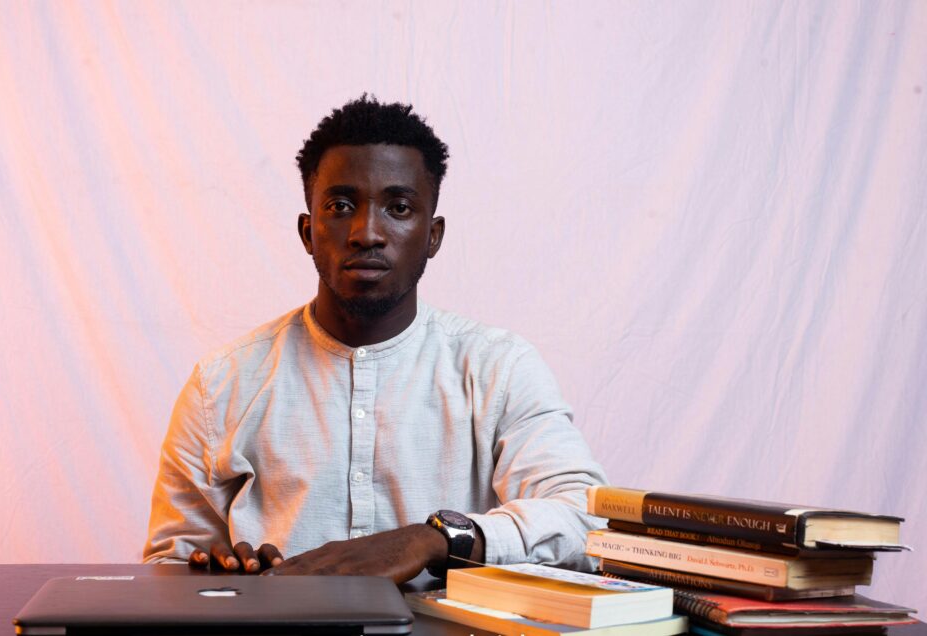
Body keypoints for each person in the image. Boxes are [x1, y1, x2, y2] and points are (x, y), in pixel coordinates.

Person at [143, 95, 608, 583]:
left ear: (433, 235)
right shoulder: (220, 386)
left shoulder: (499, 369)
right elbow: (170, 566)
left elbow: (587, 519)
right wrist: (216, 578)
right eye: (341, 206)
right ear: (308, 232)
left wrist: (432, 539)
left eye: (399, 207)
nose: (367, 232)